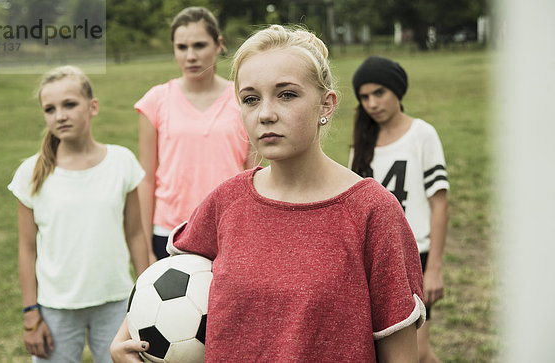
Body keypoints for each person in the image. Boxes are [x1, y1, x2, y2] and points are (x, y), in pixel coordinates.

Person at [111, 25, 425, 362]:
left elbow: (401, 354)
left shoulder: (372, 211)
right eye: (250, 99)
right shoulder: (227, 201)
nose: (265, 114)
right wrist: (122, 341)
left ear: (326, 105)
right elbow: (164, 285)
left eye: (286, 94)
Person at [8, 65, 150, 362]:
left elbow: (136, 233)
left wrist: (146, 296)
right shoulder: (31, 173)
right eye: (50, 109)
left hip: (115, 301)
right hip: (56, 307)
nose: (60, 115)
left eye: (69, 104)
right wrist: (30, 315)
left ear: (92, 106)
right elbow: (26, 248)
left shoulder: (121, 162)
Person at [135, 6, 257, 263]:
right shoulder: (155, 101)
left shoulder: (244, 100)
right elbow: (146, 179)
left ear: (218, 44)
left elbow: (254, 174)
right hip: (170, 231)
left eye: (200, 45)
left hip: (228, 229)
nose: (191, 56)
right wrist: (145, 245)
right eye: (182, 47)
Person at [349, 55, 450, 363]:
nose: (371, 103)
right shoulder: (363, 141)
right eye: (364, 97)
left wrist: (432, 269)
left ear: (397, 91)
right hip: (373, 256)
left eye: (379, 93)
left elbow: (440, 204)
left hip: (412, 257)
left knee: (416, 350)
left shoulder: (422, 134)